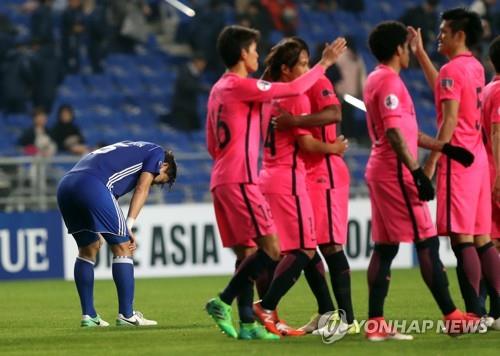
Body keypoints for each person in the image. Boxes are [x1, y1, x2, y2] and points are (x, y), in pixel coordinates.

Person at [204, 24, 346, 340]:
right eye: (253, 49)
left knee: (248, 254)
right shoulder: (242, 86)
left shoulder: (218, 89)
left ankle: (248, 325)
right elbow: (295, 90)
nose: (257, 54)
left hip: (223, 177)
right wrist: (325, 63)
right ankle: (227, 301)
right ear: (243, 53)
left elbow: (211, 144)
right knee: (274, 249)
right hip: (246, 178)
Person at [363, 21, 478, 341]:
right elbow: (395, 134)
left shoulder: (376, 78)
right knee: (426, 242)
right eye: (406, 47)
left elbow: (407, 132)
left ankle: (375, 323)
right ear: (399, 49)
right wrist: (417, 172)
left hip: (381, 169)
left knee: (384, 248)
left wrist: (446, 148)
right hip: (395, 172)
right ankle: (453, 316)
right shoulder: (389, 83)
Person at [410, 8, 500, 323]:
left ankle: (475, 312)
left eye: (444, 30)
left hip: (458, 161)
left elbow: (449, 121)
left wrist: (432, 162)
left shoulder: (452, 70)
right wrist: (421, 55)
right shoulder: (473, 67)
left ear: (459, 34)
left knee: (461, 239)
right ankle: (497, 311)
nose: (439, 35)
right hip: (478, 161)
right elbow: (445, 90)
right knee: (482, 239)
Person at [254, 37, 348, 337]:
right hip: (296, 175)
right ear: (286, 69)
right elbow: (306, 139)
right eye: (303, 63)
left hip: (318, 173)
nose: (309, 68)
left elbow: (335, 113)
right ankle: (324, 312)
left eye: (309, 62)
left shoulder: (306, 87)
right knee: (305, 248)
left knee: (322, 246)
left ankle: (341, 317)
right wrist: (331, 146)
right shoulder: (292, 93)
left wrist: (299, 121)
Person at [57, 141, 177, 327]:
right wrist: (128, 225)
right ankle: (127, 315)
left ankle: (89, 316)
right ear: (164, 166)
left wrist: (111, 229)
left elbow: (110, 197)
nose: (152, 181)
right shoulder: (156, 152)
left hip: (66, 186)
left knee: (89, 248)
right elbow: (141, 189)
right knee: (123, 247)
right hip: (93, 184)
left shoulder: (130, 150)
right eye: (157, 179)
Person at [479, 35, 500, 329]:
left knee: (489, 242)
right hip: (496, 171)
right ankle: (487, 311)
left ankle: (487, 311)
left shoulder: (486, 89)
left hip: (486, 172)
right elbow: (497, 133)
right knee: (491, 244)